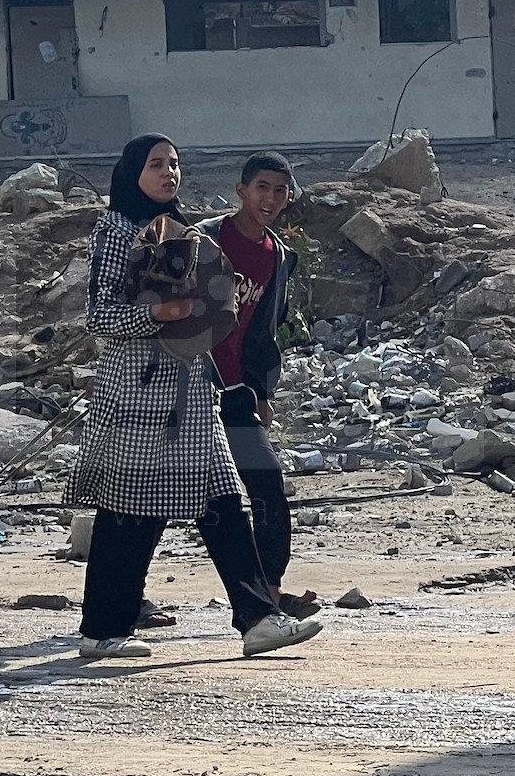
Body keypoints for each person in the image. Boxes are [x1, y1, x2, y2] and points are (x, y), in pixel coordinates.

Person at [67, 134, 327, 662]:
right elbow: (99, 316)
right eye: (156, 165)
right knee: (128, 510)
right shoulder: (117, 230)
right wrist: (157, 315)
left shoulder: (179, 230)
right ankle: (101, 629)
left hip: (191, 387)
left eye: (175, 164)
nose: (169, 173)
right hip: (137, 389)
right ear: (133, 173)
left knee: (222, 500)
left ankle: (258, 619)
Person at [196, 151, 317, 616]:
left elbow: (263, 331)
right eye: (261, 187)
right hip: (188, 390)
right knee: (156, 499)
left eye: (280, 190)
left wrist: (261, 391)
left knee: (267, 484)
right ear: (241, 190)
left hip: (235, 394)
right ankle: (126, 601)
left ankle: (269, 590)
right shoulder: (204, 240)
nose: (270, 198)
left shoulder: (278, 257)